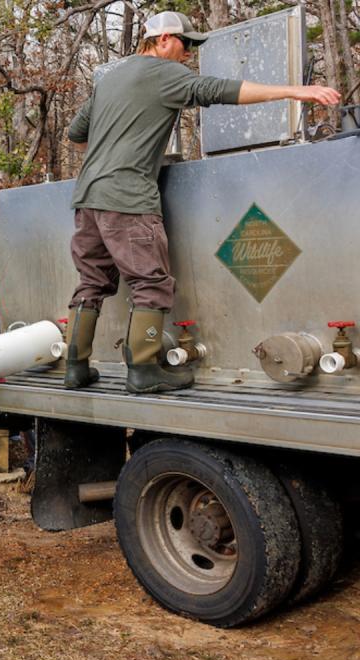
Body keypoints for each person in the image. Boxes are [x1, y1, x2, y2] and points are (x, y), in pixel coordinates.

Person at [64, 10, 340, 395]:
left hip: (88, 199)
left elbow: (77, 134)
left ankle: (75, 367)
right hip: (128, 198)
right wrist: (297, 91)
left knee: (91, 283)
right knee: (150, 284)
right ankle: (143, 370)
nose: (189, 53)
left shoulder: (110, 79)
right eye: (186, 43)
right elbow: (222, 91)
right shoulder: (165, 73)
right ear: (162, 40)